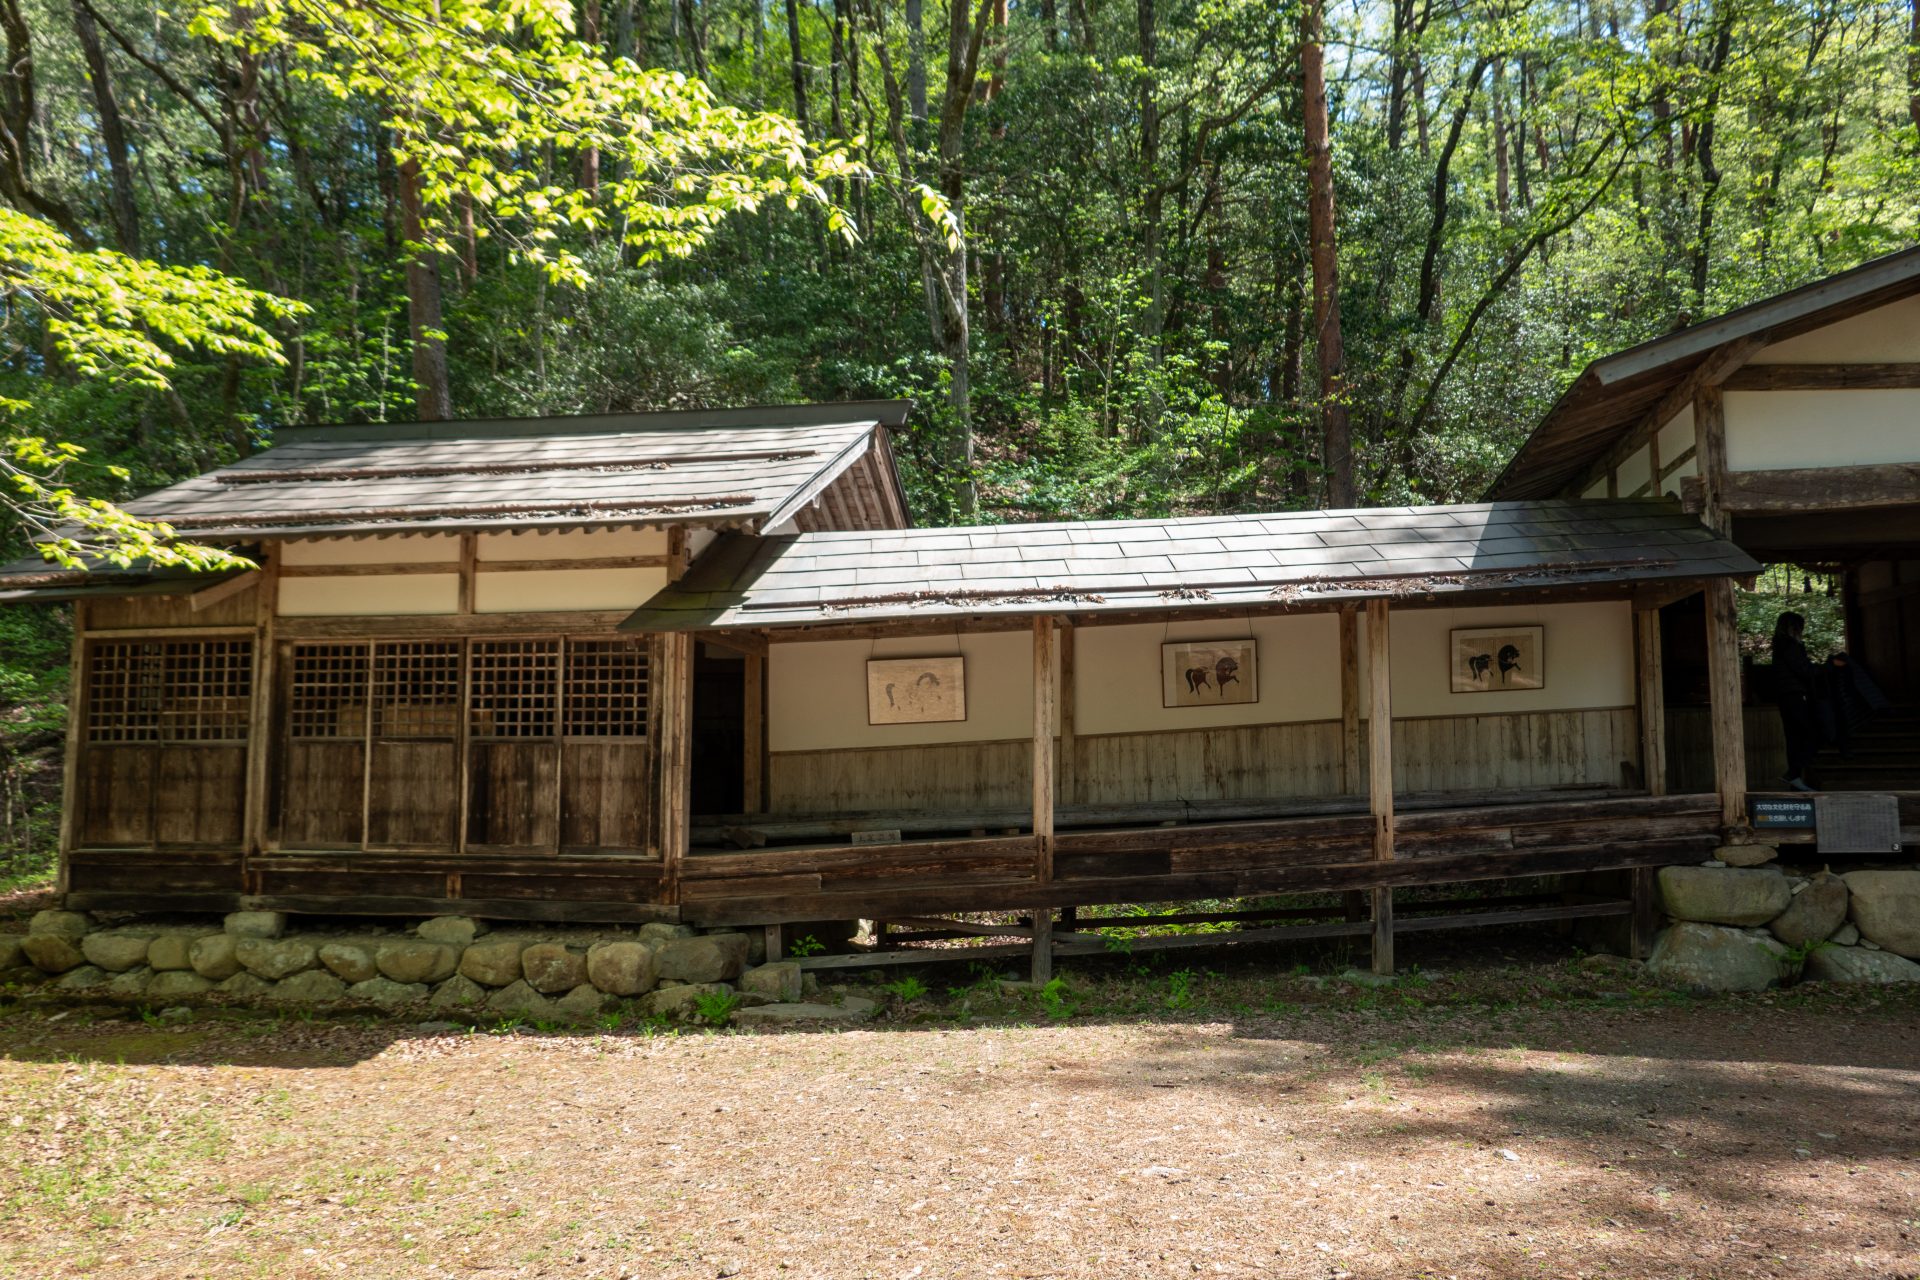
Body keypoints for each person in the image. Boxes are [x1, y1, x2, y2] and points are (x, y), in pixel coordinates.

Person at [1771, 611, 1819, 791]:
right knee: (1807, 734)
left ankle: (1795, 775)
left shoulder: (1780, 645)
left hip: (1785, 695)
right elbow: (1803, 670)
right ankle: (1794, 773)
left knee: (1794, 736)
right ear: (1794, 628)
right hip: (1795, 695)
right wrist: (1827, 668)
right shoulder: (1790, 646)